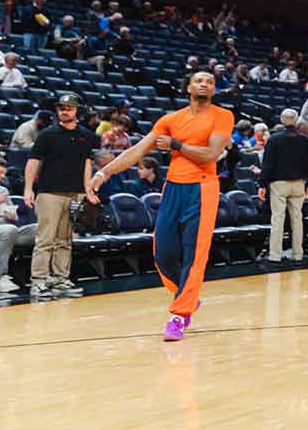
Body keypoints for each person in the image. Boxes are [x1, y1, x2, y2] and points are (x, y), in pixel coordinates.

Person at [89, 72, 233, 338]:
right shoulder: (170, 119)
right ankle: (186, 296)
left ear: (214, 90)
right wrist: (103, 173)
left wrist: (176, 144)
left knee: (194, 255)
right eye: (199, 80)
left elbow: (211, 154)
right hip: (173, 187)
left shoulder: (222, 116)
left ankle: (179, 315)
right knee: (162, 253)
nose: (204, 84)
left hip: (203, 187)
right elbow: (137, 151)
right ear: (188, 86)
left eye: (210, 82)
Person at [24, 92, 97, 299]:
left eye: (69, 108)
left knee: (65, 240)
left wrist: (88, 190)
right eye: (61, 108)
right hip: (49, 193)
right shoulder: (47, 134)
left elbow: (86, 164)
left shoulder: (85, 135)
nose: (64, 111)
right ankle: (38, 281)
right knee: (45, 239)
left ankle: (60, 279)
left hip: (75, 193)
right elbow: (33, 161)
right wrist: (28, 189)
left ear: (76, 111)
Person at [259, 109, 308, 263]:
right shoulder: (304, 140)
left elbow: (268, 164)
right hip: (298, 184)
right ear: (297, 120)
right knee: (297, 219)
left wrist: (262, 184)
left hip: (279, 184)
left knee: (278, 219)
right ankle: (298, 254)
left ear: (282, 120)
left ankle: (275, 255)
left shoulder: (274, 139)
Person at [0, 156, 32, 295]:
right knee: (8, 229)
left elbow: (15, 217)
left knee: (41, 229)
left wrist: (12, 216)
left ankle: (41, 277)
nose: (2, 176)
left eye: (4, 174)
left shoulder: (2, 190)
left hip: (8, 229)